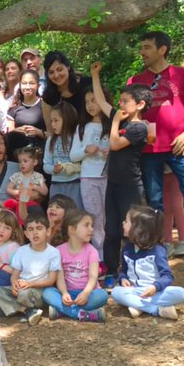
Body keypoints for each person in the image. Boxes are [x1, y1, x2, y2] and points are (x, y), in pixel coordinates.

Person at [129, 30, 184, 269]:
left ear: (162, 49)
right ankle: (157, 248)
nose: (142, 52)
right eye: (141, 47)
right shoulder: (136, 80)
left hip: (179, 146)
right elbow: (128, 113)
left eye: (147, 47)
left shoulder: (182, 74)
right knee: (154, 201)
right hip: (149, 149)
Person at [91, 64, 151, 277]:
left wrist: (115, 121)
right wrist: (95, 75)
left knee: (130, 230)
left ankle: (132, 271)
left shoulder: (139, 127)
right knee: (112, 230)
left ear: (140, 104)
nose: (120, 104)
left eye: (125, 101)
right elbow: (101, 102)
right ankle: (110, 270)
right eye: (120, 100)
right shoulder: (121, 120)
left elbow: (114, 144)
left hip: (130, 186)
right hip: (113, 184)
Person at [110, 206, 184, 319]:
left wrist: (155, 287)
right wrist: (123, 278)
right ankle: (155, 310)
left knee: (181, 293)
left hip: (155, 291)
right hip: (134, 290)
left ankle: (138, 306)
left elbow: (167, 276)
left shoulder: (157, 250)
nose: (123, 222)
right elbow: (123, 270)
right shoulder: (127, 249)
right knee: (116, 292)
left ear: (137, 229)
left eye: (126, 221)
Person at [43, 208, 108, 322]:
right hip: (68, 294)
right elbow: (60, 277)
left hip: (88, 293)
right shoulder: (58, 251)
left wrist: (85, 293)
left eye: (91, 225)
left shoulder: (92, 251)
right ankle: (83, 314)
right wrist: (64, 293)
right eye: (86, 225)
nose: (91, 229)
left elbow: (93, 277)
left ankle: (61, 310)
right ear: (72, 229)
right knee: (47, 293)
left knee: (102, 295)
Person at [0, 211, 55, 325]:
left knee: (24, 294)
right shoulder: (21, 251)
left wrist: (29, 284)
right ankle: (26, 311)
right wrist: (14, 284)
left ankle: (12, 308)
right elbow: (15, 274)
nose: (35, 233)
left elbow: (51, 280)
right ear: (26, 233)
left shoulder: (53, 252)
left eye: (39, 228)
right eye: (30, 229)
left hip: (38, 289)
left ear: (48, 231)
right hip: (22, 287)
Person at [73, 86, 110, 253]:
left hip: (109, 176)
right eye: (87, 102)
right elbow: (73, 155)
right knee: (94, 216)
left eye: (94, 100)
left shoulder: (113, 125)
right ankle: (99, 254)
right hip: (88, 178)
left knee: (109, 215)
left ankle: (112, 252)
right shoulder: (82, 128)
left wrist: (110, 151)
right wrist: (85, 150)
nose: (90, 105)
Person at [43, 102, 82, 207]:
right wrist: (53, 169)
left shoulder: (76, 137)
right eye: (51, 121)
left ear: (67, 119)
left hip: (75, 183)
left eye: (56, 120)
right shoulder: (51, 140)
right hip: (56, 184)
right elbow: (46, 164)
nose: (52, 124)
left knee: (75, 212)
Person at [3, 69, 46, 157]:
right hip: (17, 155)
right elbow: (8, 134)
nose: (27, 87)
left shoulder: (45, 106)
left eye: (31, 83)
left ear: (38, 85)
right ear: (19, 85)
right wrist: (17, 131)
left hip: (39, 154)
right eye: (24, 83)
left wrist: (38, 132)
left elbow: (52, 134)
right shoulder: (13, 108)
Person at [41, 50, 85, 123]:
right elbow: (50, 128)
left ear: (68, 66)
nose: (56, 75)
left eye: (59, 69)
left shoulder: (86, 84)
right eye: (51, 72)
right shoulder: (48, 97)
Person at [5, 146, 47, 222]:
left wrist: (35, 187)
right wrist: (17, 192)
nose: (22, 164)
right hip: (18, 204)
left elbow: (45, 191)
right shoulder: (16, 176)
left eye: (25, 161)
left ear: (34, 162)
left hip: (32, 205)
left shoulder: (38, 177)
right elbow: (8, 189)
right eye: (20, 162)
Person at [162, 173, 184, 258]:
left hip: (175, 171)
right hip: (160, 172)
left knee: (177, 206)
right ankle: (167, 242)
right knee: (166, 208)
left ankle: (183, 241)